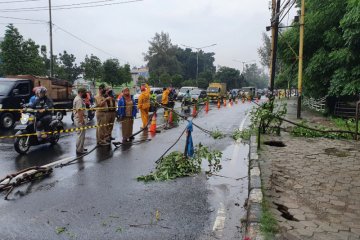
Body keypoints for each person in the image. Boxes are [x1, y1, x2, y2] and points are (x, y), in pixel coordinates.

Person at [73, 88, 88, 154]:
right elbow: (79, 111)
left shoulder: (78, 98)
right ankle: (79, 150)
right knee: (81, 135)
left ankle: (81, 147)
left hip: (78, 118)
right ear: (81, 92)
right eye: (85, 92)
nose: (86, 94)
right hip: (80, 119)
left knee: (81, 134)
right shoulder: (79, 100)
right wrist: (82, 120)